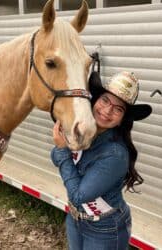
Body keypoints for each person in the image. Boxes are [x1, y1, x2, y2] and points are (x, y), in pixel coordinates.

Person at [51, 71, 152, 250]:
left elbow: (79, 195)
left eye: (118, 109)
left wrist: (62, 149)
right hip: (75, 218)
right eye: (105, 100)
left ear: (122, 119)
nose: (107, 111)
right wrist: (65, 140)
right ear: (95, 100)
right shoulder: (83, 130)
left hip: (105, 228)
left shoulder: (115, 154)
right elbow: (55, 157)